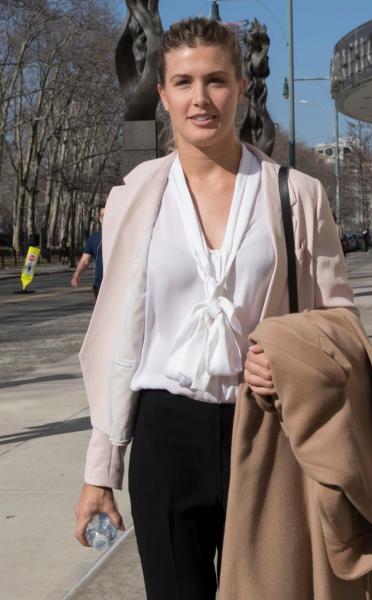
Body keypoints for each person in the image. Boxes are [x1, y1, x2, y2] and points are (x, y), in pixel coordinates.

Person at [72, 18, 353, 599]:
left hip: (267, 431)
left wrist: (289, 358)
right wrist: (101, 472)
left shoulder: (296, 196)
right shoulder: (133, 197)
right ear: (163, 94)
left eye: (216, 81)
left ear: (241, 88)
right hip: (164, 434)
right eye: (183, 82)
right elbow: (119, 339)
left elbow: (342, 321)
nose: (201, 99)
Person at [71, 205, 106, 300]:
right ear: (100, 219)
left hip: (118, 286)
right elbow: (85, 261)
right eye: (103, 215)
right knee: (100, 314)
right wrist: (77, 274)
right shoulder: (93, 239)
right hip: (99, 286)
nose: (106, 218)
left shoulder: (120, 237)